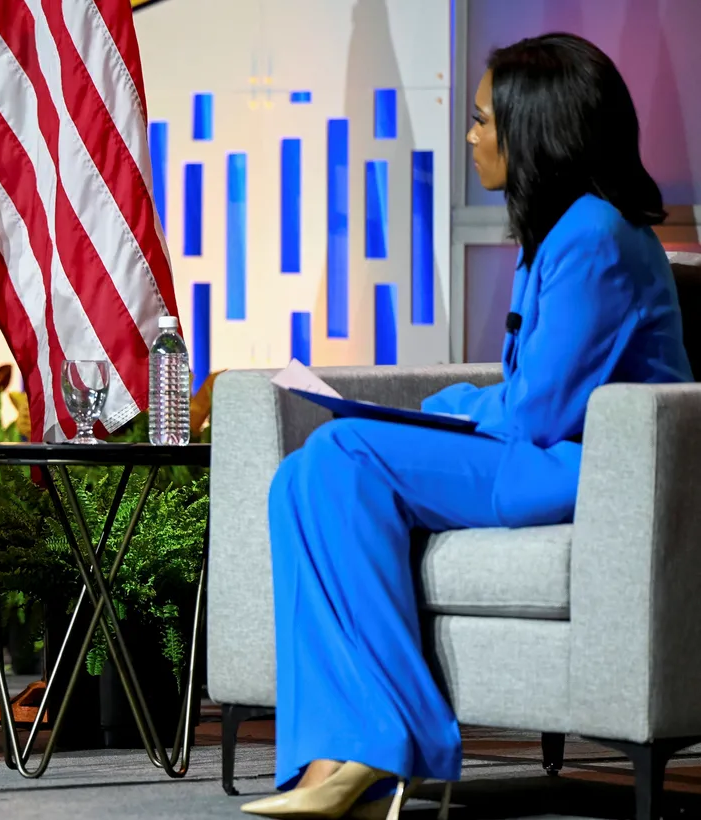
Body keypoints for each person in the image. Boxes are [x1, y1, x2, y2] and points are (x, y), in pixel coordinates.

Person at [241, 33, 692, 819]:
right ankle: (347, 750)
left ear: (535, 127)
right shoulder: (560, 231)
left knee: (343, 448)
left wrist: (443, 407)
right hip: (538, 452)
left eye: (485, 120)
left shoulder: (593, 236)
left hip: (578, 466)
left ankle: (388, 745)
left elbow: (537, 411)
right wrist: (451, 407)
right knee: (304, 475)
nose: (473, 136)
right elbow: (528, 391)